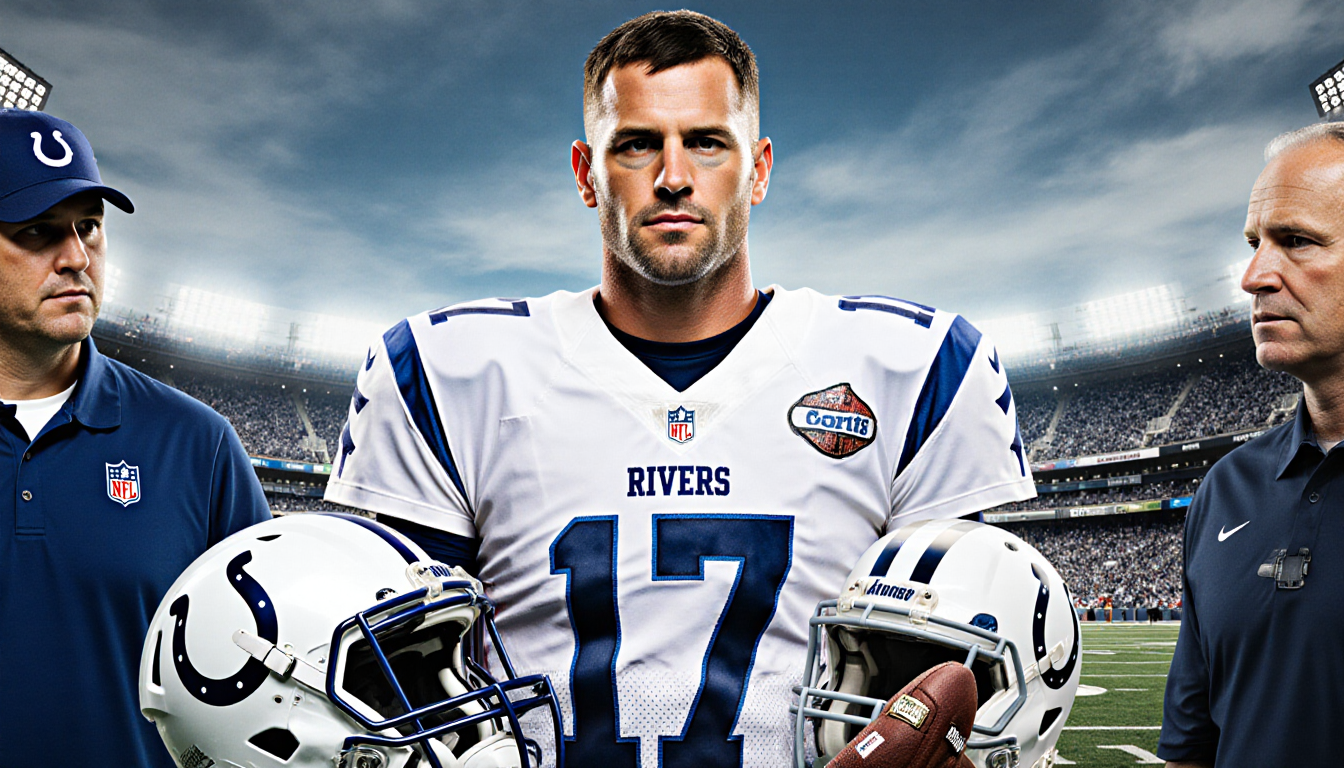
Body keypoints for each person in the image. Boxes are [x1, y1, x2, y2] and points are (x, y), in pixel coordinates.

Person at [326, 11, 1033, 767]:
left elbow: (966, 667)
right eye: (635, 144)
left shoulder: (917, 369)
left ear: (758, 169)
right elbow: (383, 673)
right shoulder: (444, 371)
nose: (672, 175)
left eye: (706, 141)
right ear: (585, 174)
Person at [0, 109, 270, 765]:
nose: (76, 258)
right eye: (38, 233)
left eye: (89, 227)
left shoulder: (196, 444)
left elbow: (270, 672)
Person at [1159, 122, 1344, 767]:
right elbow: (1190, 747)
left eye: (1296, 241)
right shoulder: (1226, 486)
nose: (1254, 276)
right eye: (1254, 243)